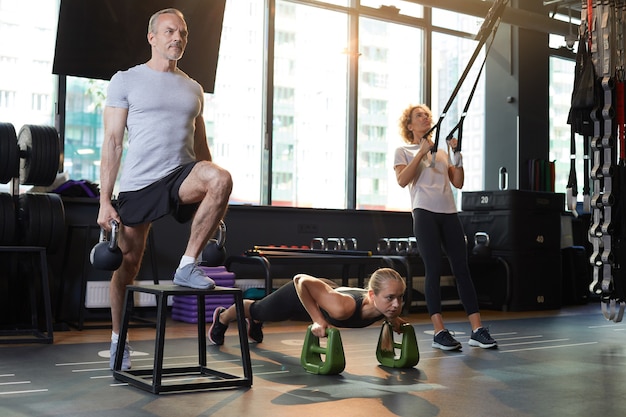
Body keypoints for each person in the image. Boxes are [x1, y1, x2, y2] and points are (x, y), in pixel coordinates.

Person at [97, 8, 233, 370]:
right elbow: (112, 143)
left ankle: (187, 265)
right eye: (170, 31)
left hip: (181, 176)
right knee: (127, 264)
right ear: (152, 37)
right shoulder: (126, 80)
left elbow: (202, 150)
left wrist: (216, 202)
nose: (178, 38)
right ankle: (117, 339)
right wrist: (104, 201)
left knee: (221, 177)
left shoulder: (193, 89)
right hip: (140, 185)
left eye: (183, 33)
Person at [393, 103, 497, 351]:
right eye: (419, 115)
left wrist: (456, 154)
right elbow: (402, 180)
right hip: (424, 213)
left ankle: (477, 329)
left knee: (462, 269)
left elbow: (458, 182)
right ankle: (439, 331)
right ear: (409, 125)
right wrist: (420, 152)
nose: (425, 117)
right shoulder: (404, 150)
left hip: (449, 214)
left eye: (427, 114)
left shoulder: (440, 153)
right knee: (433, 268)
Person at [208, 268, 408, 347]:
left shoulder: (386, 308)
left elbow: (391, 310)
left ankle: (256, 322)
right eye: (390, 298)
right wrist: (318, 320)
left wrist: (395, 320)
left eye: (400, 297)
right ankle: (223, 317)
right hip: (298, 295)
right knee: (258, 309)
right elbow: (300, 280)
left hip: (324, 298)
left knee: (264, 314)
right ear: (372, 295)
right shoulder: (344, 308)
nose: (396, 304)